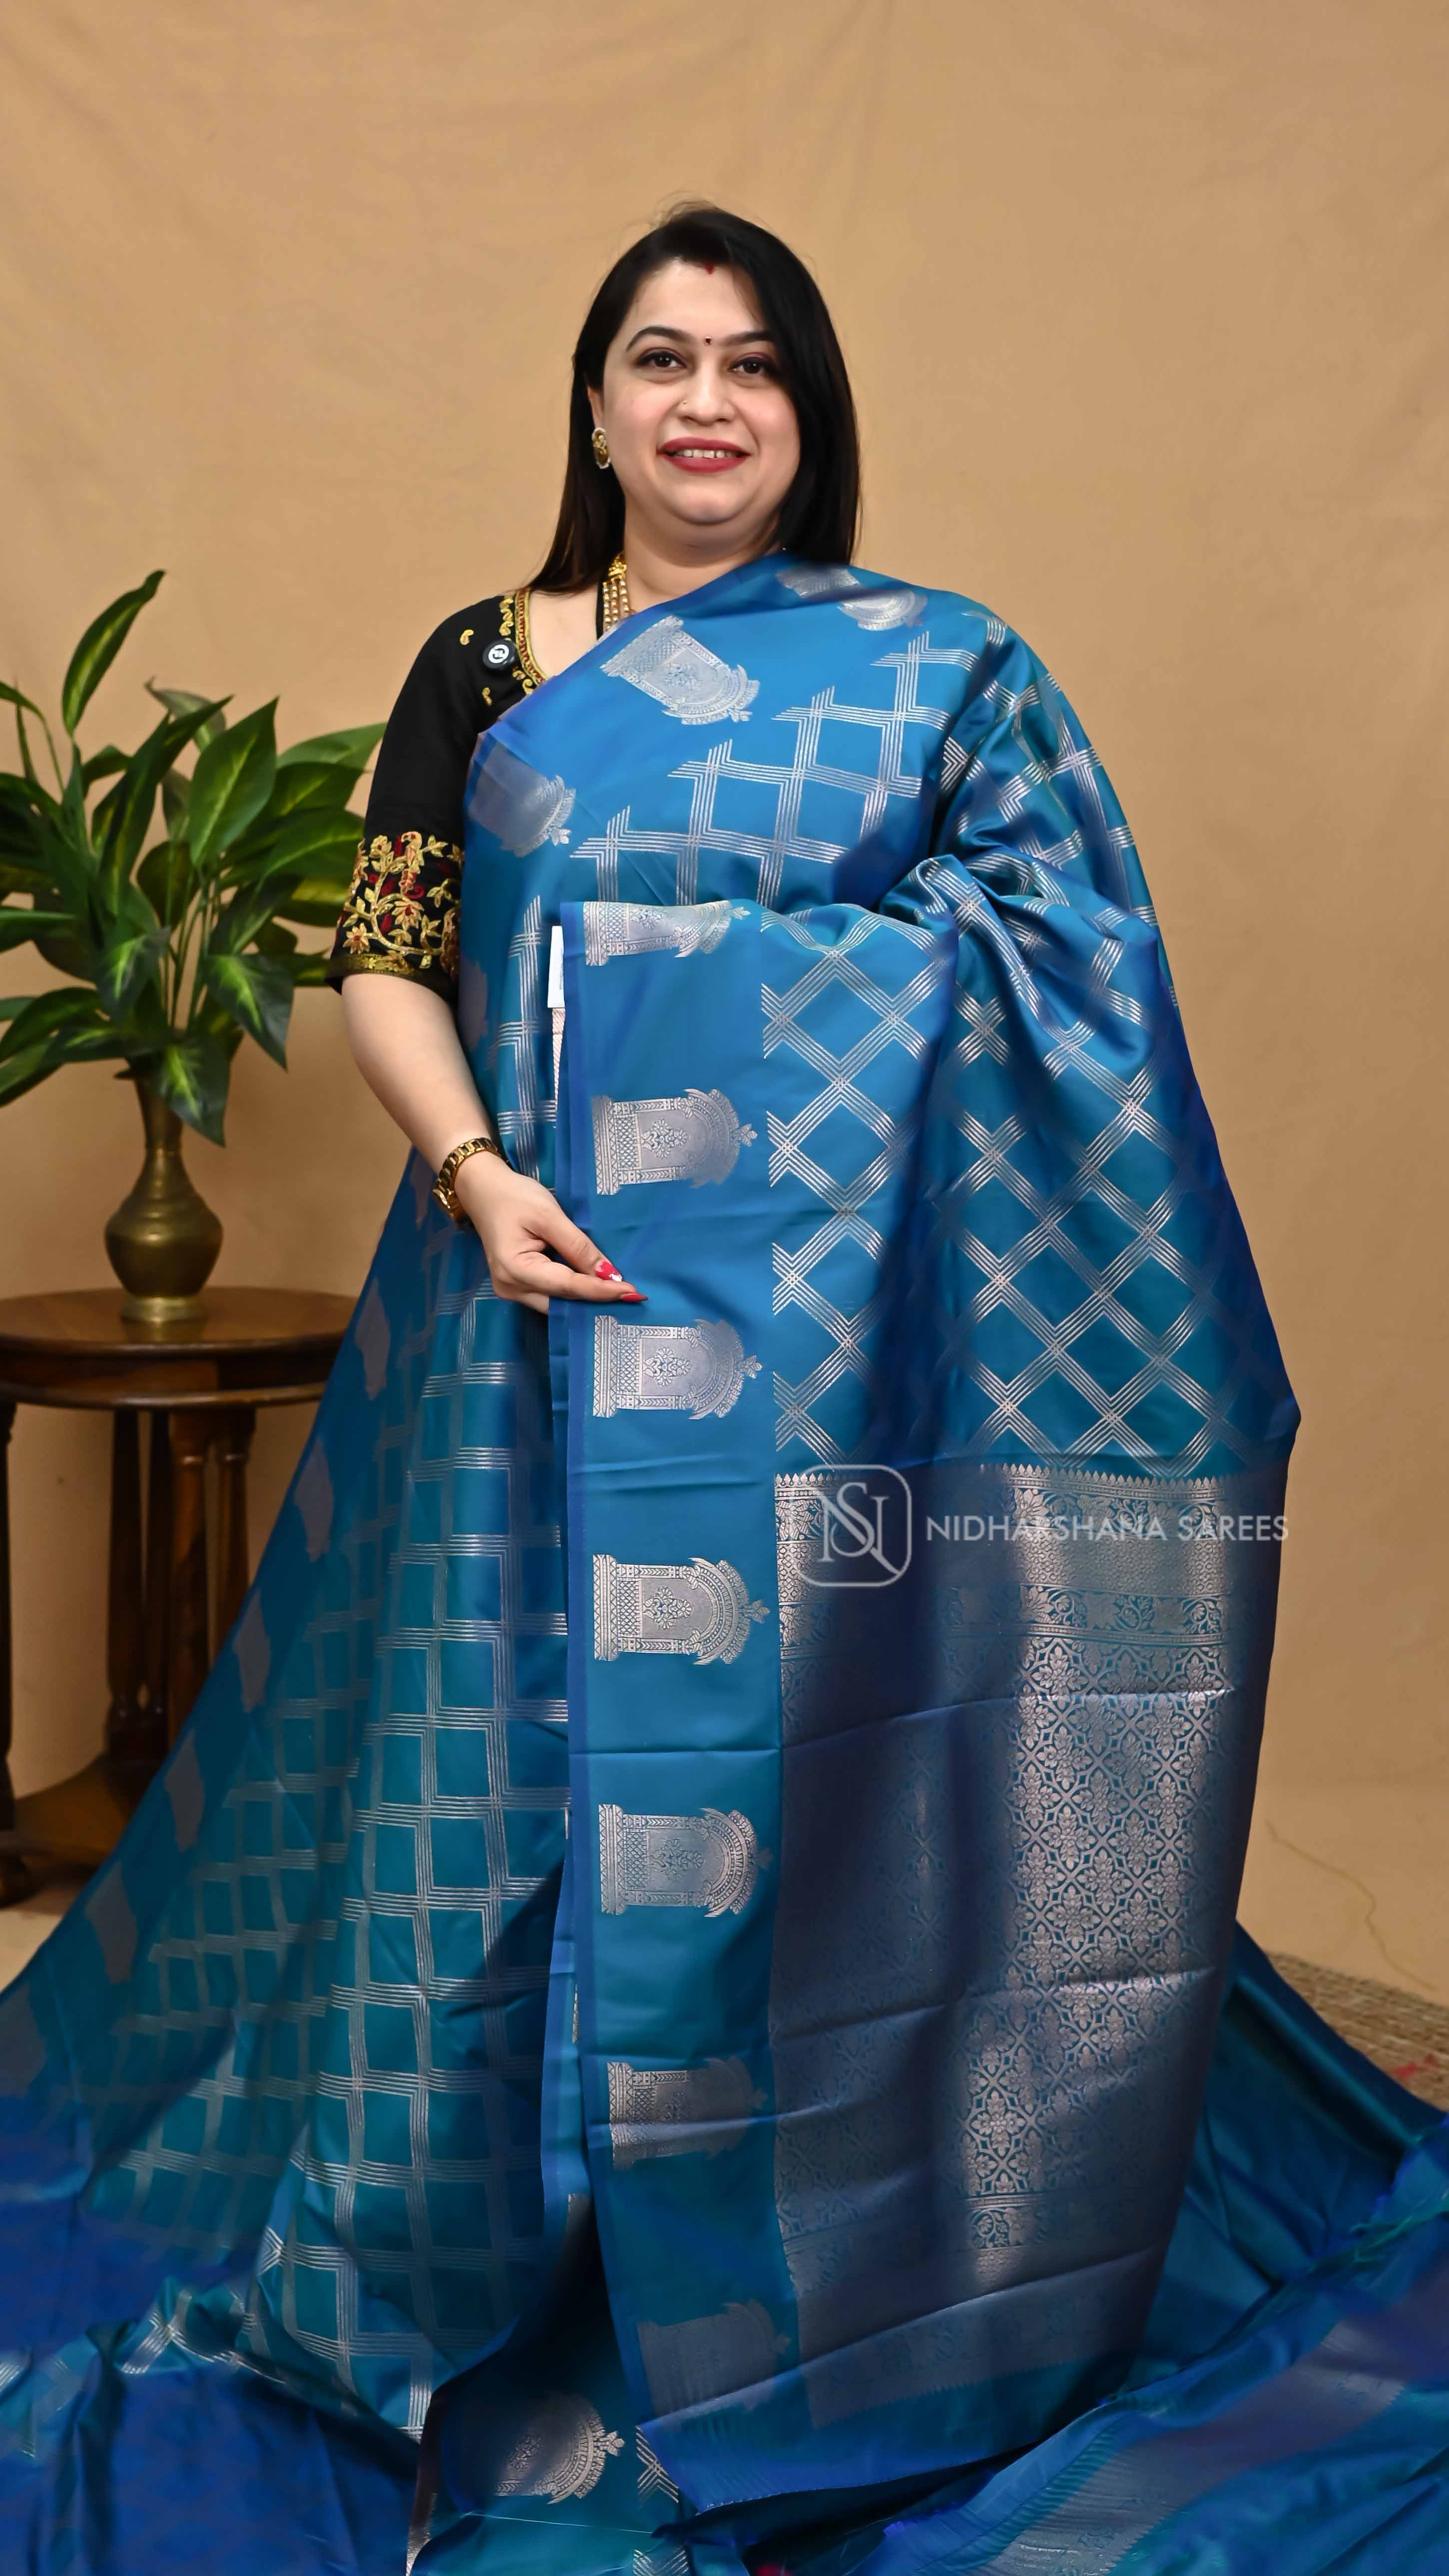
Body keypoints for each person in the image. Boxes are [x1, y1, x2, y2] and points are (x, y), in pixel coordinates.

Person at [0, 205, 1446, 2576]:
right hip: (518, 1323)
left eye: (754, 365)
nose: (706, 403)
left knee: (791, 1806)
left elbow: (1065, 969)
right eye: (661, 360)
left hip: (824, 1376)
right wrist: (476, 1171)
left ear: (809, 411)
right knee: (494, 1800)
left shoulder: (932, 675)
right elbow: (390, 960)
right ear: (592, 409)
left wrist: (713, 1006)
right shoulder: (487, 664)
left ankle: (820, 2278)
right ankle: (469, 2249)